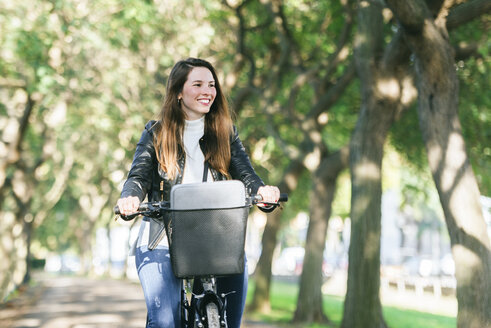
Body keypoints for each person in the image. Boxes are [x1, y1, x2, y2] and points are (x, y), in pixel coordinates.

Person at [116, 57, 280, 328]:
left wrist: (263, 192)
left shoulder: (225, 134)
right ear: (179, 92)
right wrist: (130, 198)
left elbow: (246, 174)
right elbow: (138, 178)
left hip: (216, 239)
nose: (208, 91)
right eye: (198, 84)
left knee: (232, 320)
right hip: (161, 240)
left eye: (212, 85)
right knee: (165, 322)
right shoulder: (156, 133)